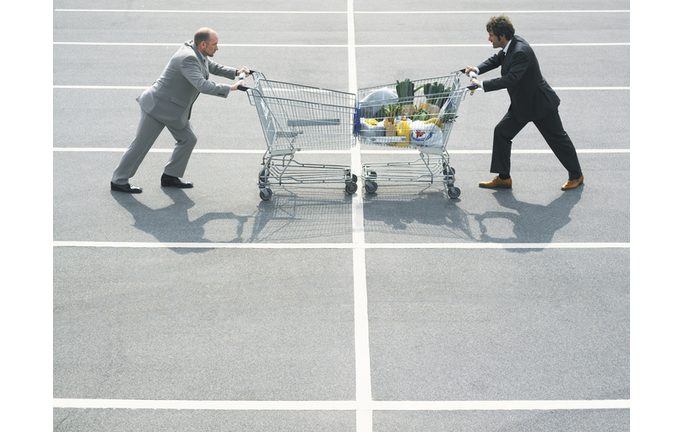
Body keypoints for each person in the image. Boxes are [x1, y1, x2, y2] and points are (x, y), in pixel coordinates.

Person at [111, 28, 250, 193]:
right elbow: (202, 85)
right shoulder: (188, 59)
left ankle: (170, 176)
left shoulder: (196, 50)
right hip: (158, 107)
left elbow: (210, 66)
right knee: (140, 145)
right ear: (203, 44)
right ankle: (118, 180)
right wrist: (232, 88)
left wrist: (235, 72)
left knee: (188, 139)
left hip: (174, 110)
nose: (217, 48)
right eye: (215, 44)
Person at [465, 15, 584, 190]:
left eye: (491, 35)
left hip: (540, 104)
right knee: (501, 132)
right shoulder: (510, 45)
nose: (489, 38)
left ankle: (576, 175)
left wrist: (481, 84)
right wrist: (478, 69)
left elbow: (511, 79)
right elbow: (498, 59)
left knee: (558, 139)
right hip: (522, 104)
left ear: (502, 36)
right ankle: (504, 178)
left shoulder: (521, 51)